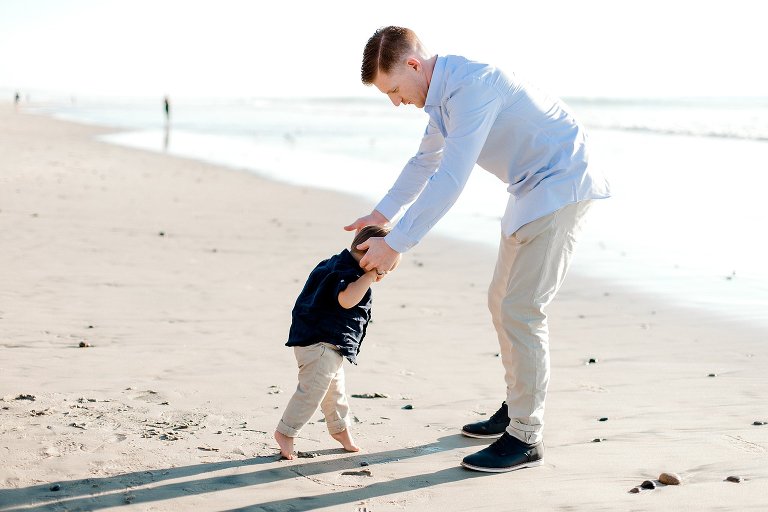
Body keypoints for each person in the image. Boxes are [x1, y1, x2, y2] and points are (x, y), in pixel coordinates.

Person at [345, 26, 610, 472]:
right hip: (529, 190)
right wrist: (381, 215)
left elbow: (451, 177)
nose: (395, 102)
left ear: (413, 65)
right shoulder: (441, 99)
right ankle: (516, 406)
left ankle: (526, 437)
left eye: (393, 90)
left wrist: (396, 244)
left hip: (562, 185)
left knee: (523, 310)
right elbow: (424, 162)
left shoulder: (474, 87)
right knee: (500, 302)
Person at [274, 225, 400, 459]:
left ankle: (341, 430)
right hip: (321, 344)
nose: (384, 274)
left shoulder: (333, 263)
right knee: (311, 392)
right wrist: (370, 277)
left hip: (322, 344)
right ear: (371, 254)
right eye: (386, 267)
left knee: (334, 393)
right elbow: (346, 300)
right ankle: (286, 432)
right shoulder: (348, 273)